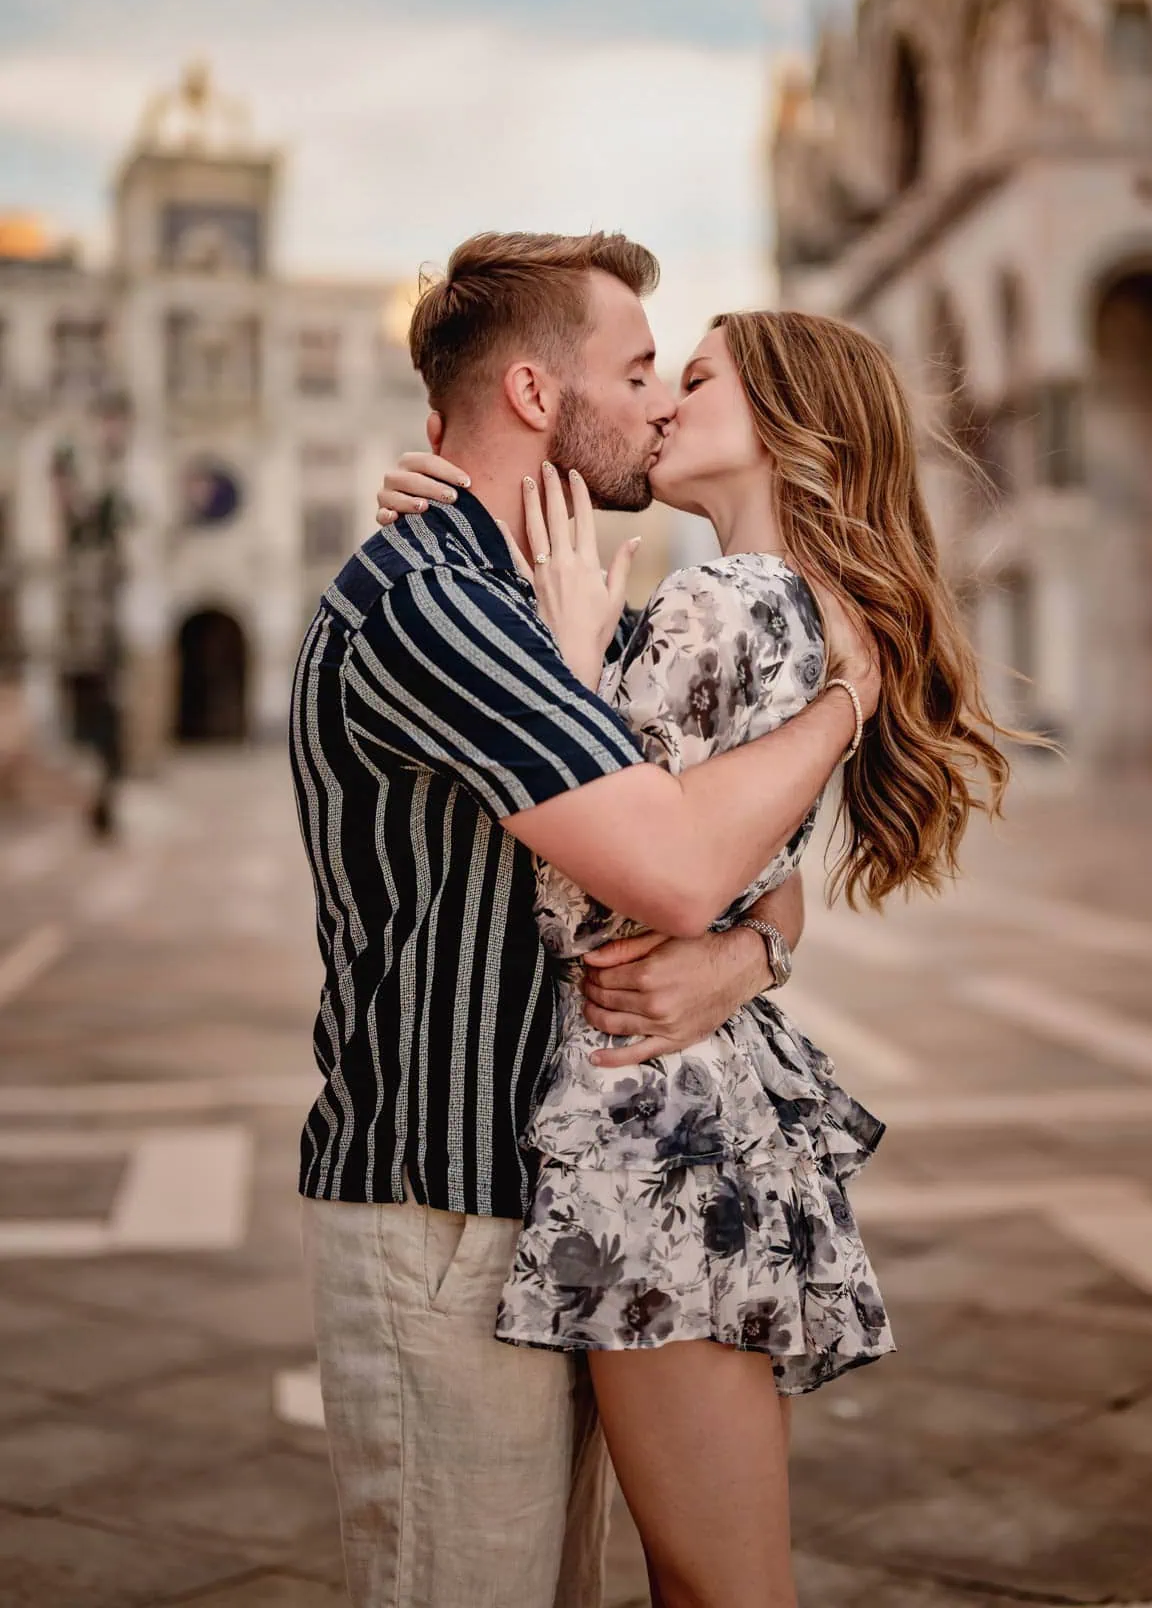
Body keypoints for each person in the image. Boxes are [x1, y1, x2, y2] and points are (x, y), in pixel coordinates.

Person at [378, 305, 1015, 1607]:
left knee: (722, 1588)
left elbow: (598, 885)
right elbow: (747, 873)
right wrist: (753, 947)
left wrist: (562, 657)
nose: (664, 400)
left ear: (786, 424)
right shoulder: (797, 611)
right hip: (702, 1108)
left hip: (650, 1133)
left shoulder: (724, 604)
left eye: (698, 378)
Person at [289, 232, 879, 1608]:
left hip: (558, 1189)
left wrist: (752, 948)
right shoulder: (440, 602)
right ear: (543, 400)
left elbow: (729, 864)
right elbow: (670, 866)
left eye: (681, 377)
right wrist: (855, 693)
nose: (661, 401)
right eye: (637, 371)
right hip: (444, 1203)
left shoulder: (515, 590)